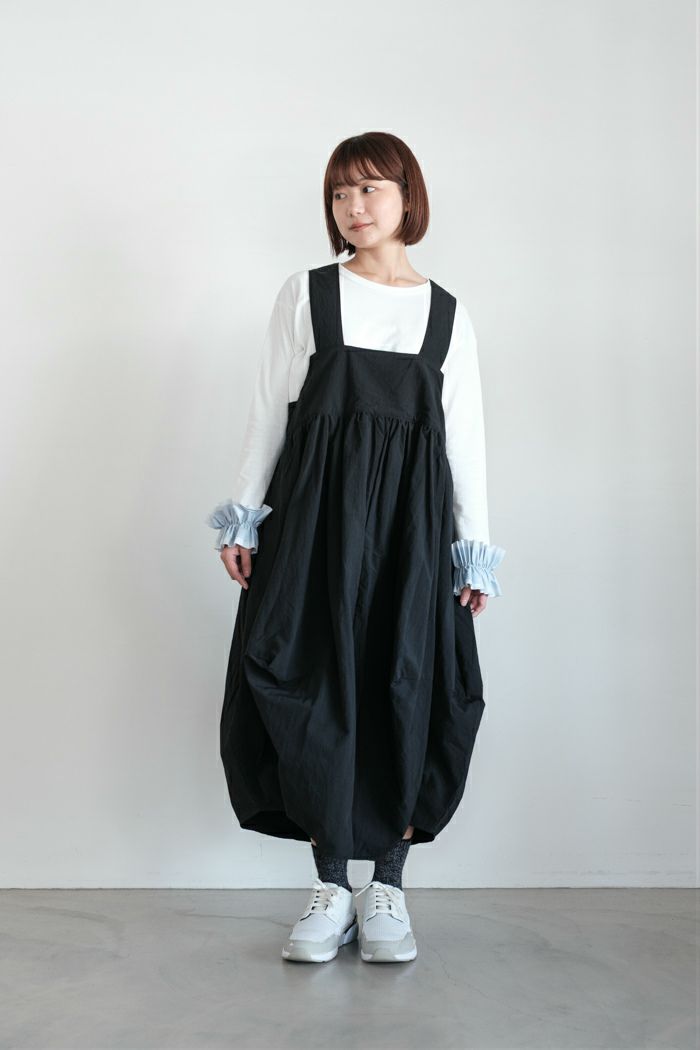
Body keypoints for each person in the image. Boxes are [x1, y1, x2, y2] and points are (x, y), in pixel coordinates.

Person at [206, 131, 506, 964]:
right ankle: (332, 883)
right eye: (340, 192)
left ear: (409, 197)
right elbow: (270, 409)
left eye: (370, 188)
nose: (353, 206)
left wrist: (474, 548)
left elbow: (465, 441)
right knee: (313, 681)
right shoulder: (307, 295)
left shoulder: (446, 314)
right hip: (315, 522)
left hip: (412, 532)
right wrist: (244, 515)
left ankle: (389, 889)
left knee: (406, 683)